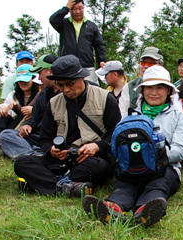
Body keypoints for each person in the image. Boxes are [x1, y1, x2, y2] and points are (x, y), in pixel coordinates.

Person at [83, 66, 183, 228]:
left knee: (158, 185)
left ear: (168, 91)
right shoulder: (129, 116)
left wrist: (153, 155)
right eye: (149, 87)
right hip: (132, 169)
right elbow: (116, 144)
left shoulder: (179, 116)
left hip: (165, 168)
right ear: (142, 90)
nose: (154, 92)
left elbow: (182, 150)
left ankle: (145, 210)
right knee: (124, 185)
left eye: (159, 87)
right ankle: (112, 208)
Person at [13, 55, 120, 197]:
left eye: (69, 84)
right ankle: (67, 186)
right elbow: (45, 139)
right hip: (61, 160)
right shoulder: (53, 103)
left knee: (98, 167)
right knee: (22, 162)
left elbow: (116, 134)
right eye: (61, 85)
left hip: (90, 159)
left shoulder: (105, 98)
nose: (66, 89)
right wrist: (51, 150)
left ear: (82, 78)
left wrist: (97, 146)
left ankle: (46, 183)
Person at [0, 55, 58, 159]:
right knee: (6, 134)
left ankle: (25, 154)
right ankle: (32, 154)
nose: (39, 78)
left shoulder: (65, 94)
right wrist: (28, 126)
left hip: (55, 138)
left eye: (40, 73)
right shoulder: (43, 94)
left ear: (50, 72)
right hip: (36, 137)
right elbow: (34, 118)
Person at [49, 0, 106, 71]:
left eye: (80, 8)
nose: (78, 12)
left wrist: (101, 60)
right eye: (74, 9)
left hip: (87, 66)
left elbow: (99, 45)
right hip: (67, 66)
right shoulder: (64, 24)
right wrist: (66, 8)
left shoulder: (91, 26)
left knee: (91, 83)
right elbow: (53, 20)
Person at [0, 64, 41, 140]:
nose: (22, 83)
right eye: (20, 81)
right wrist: (4, 108)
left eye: (25, 80)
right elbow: (5, 109)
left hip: (30, 127)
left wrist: (32, 110)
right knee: (4, 117)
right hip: (14, 124)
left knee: (26, 114)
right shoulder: (13, 95)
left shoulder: (41, 94)